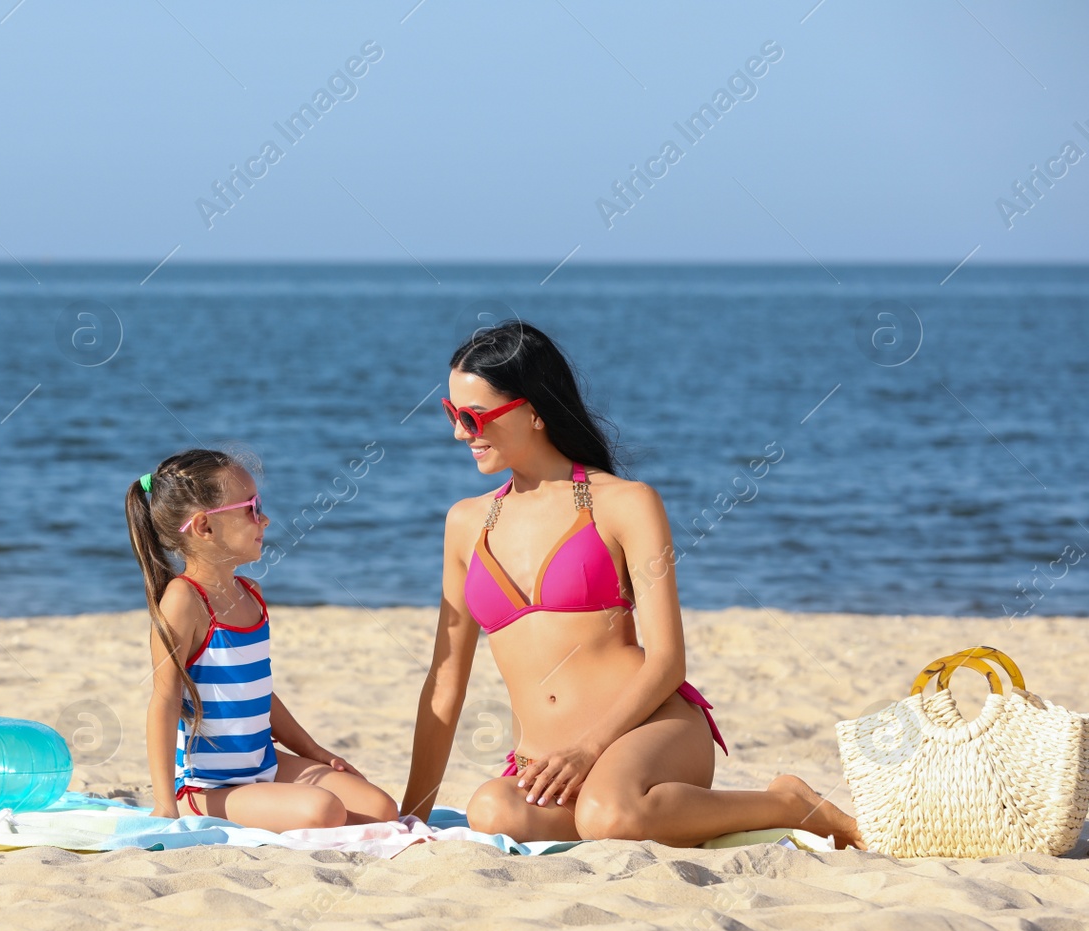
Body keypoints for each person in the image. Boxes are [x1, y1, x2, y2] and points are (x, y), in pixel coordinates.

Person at [399, 322, 860, 848]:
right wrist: (410, 816)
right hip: (549, 766)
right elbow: (445, 682)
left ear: (534, 411)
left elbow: (668, 661)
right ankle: (629, 810)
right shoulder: (466, 523)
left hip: (648, 731)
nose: (460, 432)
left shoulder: (624, 503)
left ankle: (789, 802)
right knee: (489, 810)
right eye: (451, 413)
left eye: (472, 416)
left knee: (609, 814)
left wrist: (590, 749)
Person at [126, 448, 399, 831]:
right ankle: (189, 806)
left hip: (263, 762)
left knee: (381, 808)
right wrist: (164, 805)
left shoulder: (250, 593)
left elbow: (257, 691)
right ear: (205, 527)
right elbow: (165, 701)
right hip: (207, 786)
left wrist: (313, 752)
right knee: (324, 812)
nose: (265, 519)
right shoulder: (183, 601)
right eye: (251, 509)